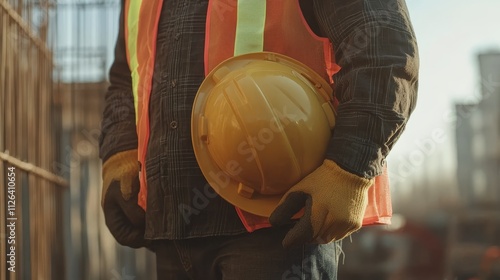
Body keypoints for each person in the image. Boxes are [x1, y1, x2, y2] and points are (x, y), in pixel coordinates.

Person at [99, 0, 419, 279]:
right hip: (172, 227)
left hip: (280, 226)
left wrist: (349, 167)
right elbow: (125, 75)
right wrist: (118, 152)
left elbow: (382, 45)